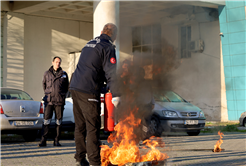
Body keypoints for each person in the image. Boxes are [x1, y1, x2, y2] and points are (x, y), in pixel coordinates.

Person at [69, 23, 120, 166]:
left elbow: (92, 68)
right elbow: (111, 72)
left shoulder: (89, 44)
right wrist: (116, 94)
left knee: (80, 126)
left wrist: (103, 87)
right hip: (88, 91)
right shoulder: (108, 47)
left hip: (75, 87)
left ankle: (80, 159)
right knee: (93, 127)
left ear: (102, 31)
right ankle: (95, 162)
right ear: (114, 35)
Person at [38, 56, 69, 147]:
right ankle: (43, 141)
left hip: (59, 101)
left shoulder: (64, 74)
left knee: (58, 122)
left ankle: (56, 141)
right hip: (49, 101)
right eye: (56, 62)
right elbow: (44, 85)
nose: (57, 64)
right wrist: (49, 93)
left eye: (59, 62)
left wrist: (62, 96)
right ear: (52, 62)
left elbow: (67, 87)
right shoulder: (47, 73)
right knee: (46, 121)